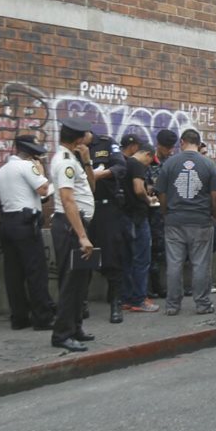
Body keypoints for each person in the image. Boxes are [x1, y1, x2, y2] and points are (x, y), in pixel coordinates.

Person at [155, 128, 216, 315]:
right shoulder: (208, 165)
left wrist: (165, 212)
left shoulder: (170, 163)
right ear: (198, 143)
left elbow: (161, 193)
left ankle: (172, 305)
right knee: (201, 264)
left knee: (174, 263)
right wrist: (215, 216)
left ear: (182, 142)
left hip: (175, 220)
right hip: (200, 220)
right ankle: (202, 304)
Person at [0, 134, 55, 331]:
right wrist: (46, 176)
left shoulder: (0, 173)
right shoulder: (26, 167)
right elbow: (44, 190)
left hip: (7, 223)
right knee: (36, 271)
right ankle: (42, 318)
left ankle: (19, 318)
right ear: (30, 154)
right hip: (26, 223)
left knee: (13, 273)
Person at [49, 119, 97, 352]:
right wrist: (82, 236)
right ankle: (62, 334)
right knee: (70, 282)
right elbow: (68, 200)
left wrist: (86, 160)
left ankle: (75, 327)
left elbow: (90, 186)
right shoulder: (64, 162)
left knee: (80, 280)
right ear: (78, 139)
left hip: (78, 225)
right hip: (70, 227)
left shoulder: (74, 159)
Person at [89, 133, 127, 323]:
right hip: (84, 208)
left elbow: (120, 167)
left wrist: (98, 175)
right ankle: (81, 305)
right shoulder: (72, 149)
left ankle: (115, 303)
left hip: (106, 207)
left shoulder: (105, 143)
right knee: (83, 257)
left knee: (112, 255)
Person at [119, 135, 158, 312]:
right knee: (142, 259)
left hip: (125, 217)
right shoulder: (138, 165)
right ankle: (139, 300)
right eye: (151, 160)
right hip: (137, 218)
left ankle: (127, 298)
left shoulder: (125, 163)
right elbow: (138, 188)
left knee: (128, 260)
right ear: (148, 155)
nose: (150, 164)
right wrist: (148, 199)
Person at [146, 129, 178, 298]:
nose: (170, 151)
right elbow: (145, 185)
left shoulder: (172, 161)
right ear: (159, 145)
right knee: (153, 248)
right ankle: (152, 286)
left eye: (172, 147)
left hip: (169, 210)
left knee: (164, 249)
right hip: (152, 211)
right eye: (167, 148)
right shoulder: (149, 159)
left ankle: (161, 285)